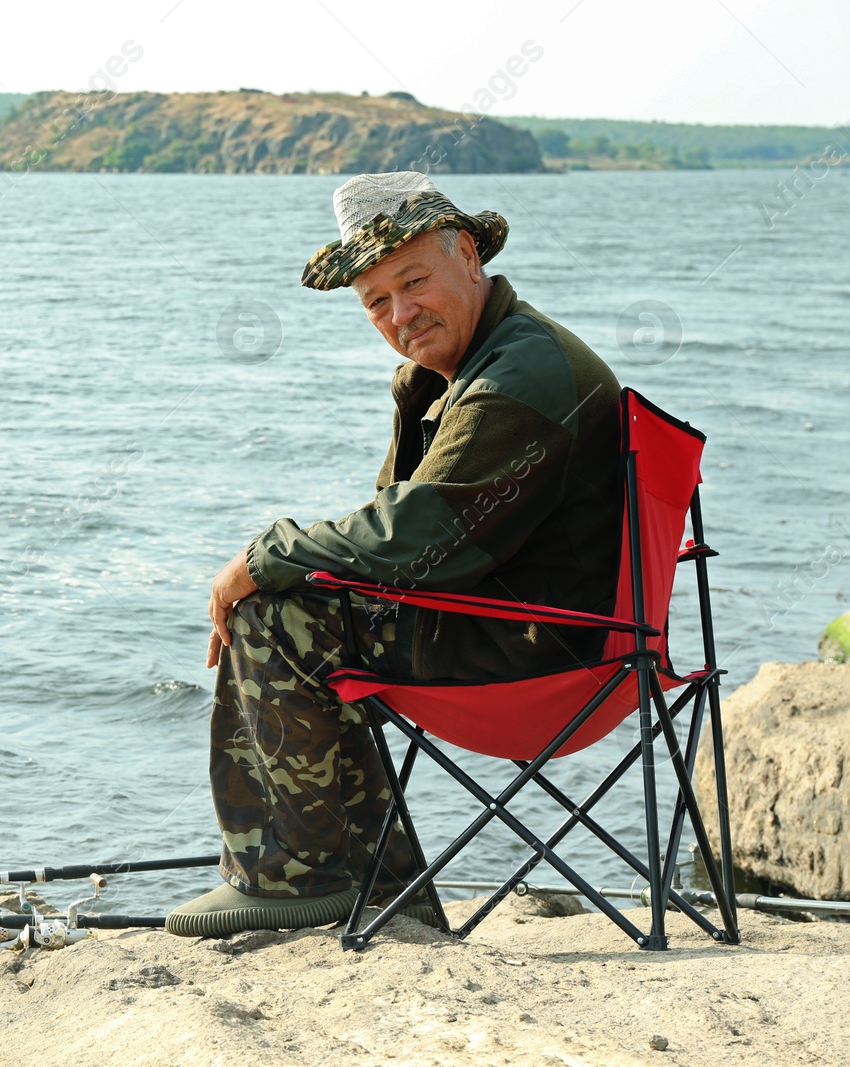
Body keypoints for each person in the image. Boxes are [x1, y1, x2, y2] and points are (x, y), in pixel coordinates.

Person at [166, 171, 622, 938]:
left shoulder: (520, 372)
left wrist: (266, 555)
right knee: (305, 601)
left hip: (540, 649)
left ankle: (295, 876)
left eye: (414, 283)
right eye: (376, 301)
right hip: (526, 621)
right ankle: (377, 888)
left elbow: (413, 536)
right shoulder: (465, 368)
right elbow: (395, 538)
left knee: (281, 617)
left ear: (468, 255)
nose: (400, 314)